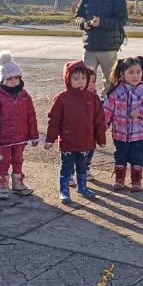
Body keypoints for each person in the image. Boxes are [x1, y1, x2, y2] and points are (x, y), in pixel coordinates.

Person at [45, 60, 106, 204]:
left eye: (83, 78)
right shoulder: (61, 99)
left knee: (83, 166)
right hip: (68, 142)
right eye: (76, 78)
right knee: (66, 166)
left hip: (85, 141)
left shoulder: (93, 99)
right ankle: (64, 190)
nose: (80, 82)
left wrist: (101, 139)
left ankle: (82, 187)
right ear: (68, 79)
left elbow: (99, 121)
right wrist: (50, 139)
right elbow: (54, 121)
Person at [0, 51, 39, 198]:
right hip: (3, 140)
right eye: (9, 78)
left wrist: (33, 135)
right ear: (2, 80)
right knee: (3, 162)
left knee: (18, 160)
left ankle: (18, 182)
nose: (14, 81)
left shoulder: (24, 95)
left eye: (16, 77)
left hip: (20, 137)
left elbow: (31, 116)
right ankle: (3, 183)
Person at [102, 57, 143, 192]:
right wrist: (101, 128)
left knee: (137, 157)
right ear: (122, 74)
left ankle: (136, 181)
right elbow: (107, 111)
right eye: (131, 72)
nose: (135, 75)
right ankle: (119, 179)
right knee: (120, 156)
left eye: (138, 72)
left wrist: (140, 112)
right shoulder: (115, 92)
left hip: (139, 134)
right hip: (119, 134)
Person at [75, 0, 128, 97]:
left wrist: (102, 22)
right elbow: (77, 16)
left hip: (108, 48)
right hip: (90, 47)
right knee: (85, 80)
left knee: (111, 82)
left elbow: (121, 21)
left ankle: (107, 107)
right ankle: (87, 106)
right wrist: (84, 24)